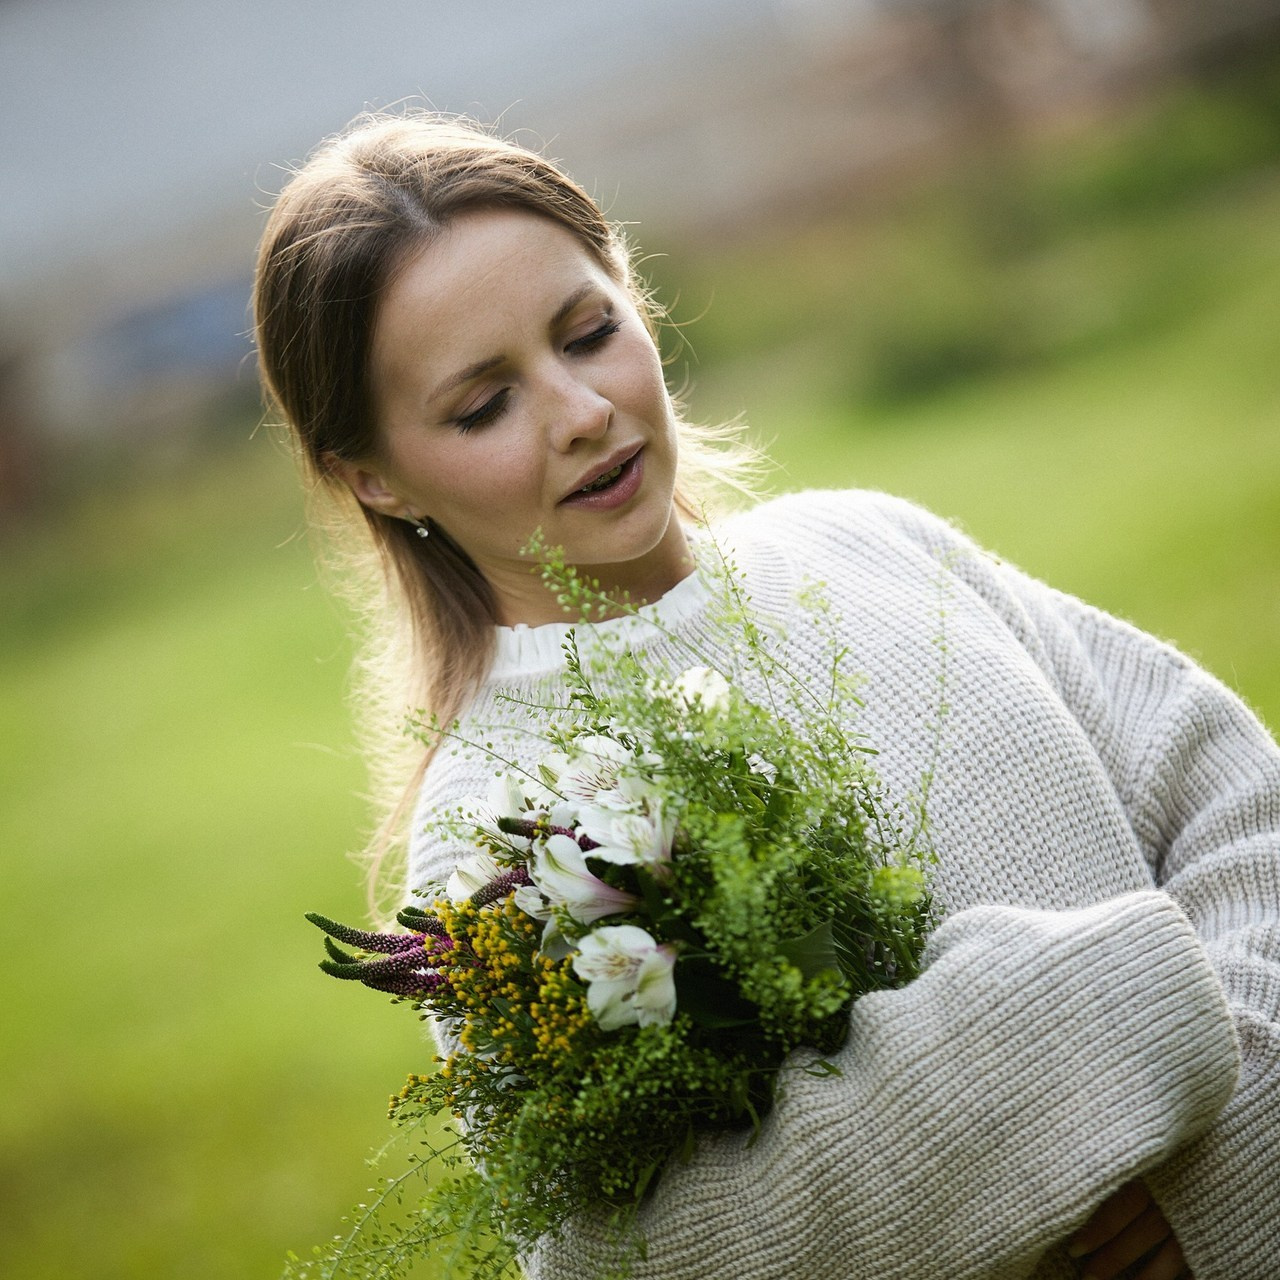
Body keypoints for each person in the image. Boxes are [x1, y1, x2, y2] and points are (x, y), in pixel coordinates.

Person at [253, 113, 1280, 1280]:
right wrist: (1079, 1060)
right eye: (483, 404)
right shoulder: (491, 836)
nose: (580, 409)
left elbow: (1234, 803)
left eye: (587, 331)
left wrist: (1222, 1149)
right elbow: (627, 1250)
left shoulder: (868, 543)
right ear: (374, 477)